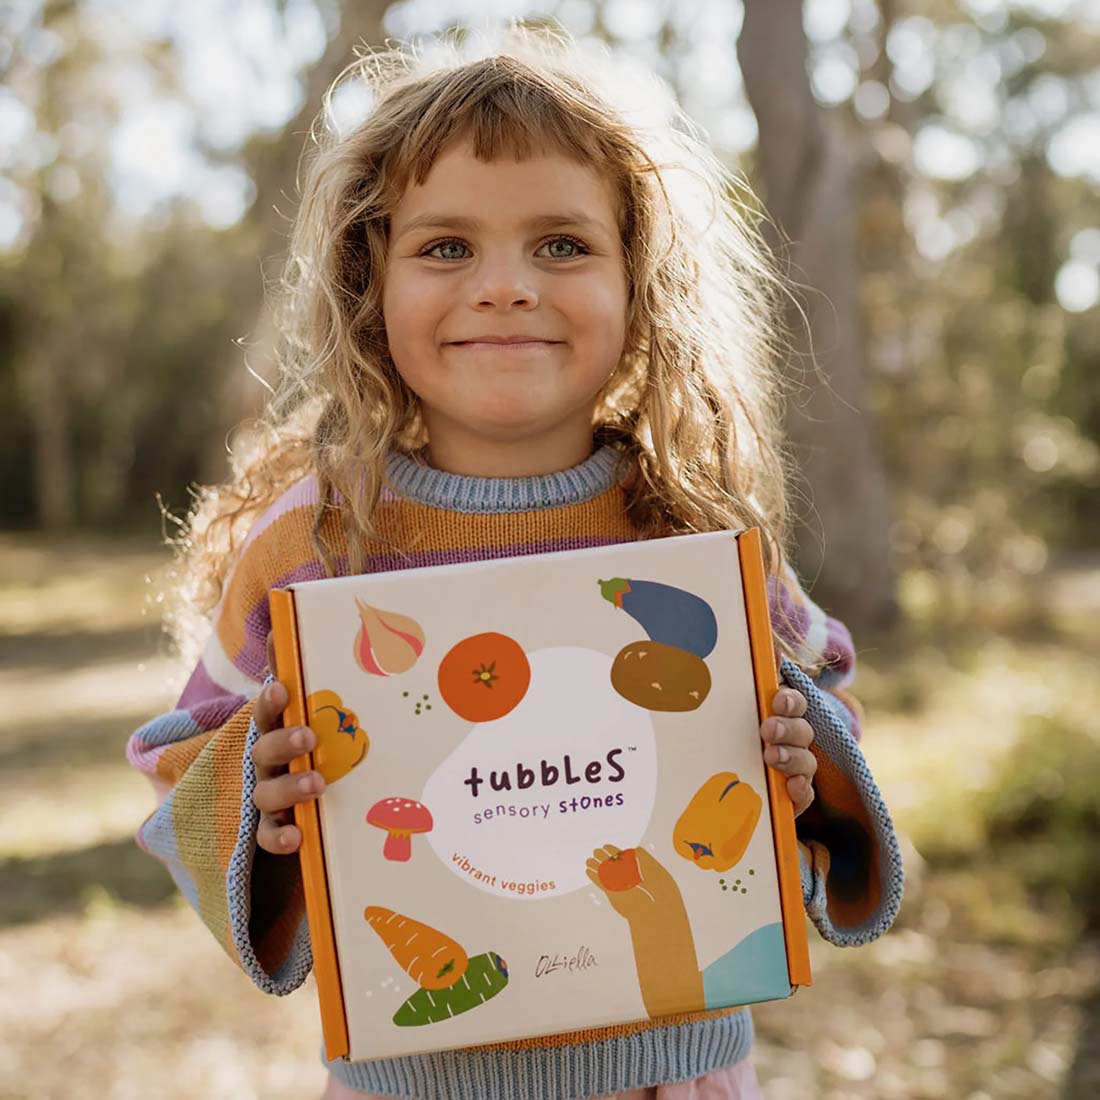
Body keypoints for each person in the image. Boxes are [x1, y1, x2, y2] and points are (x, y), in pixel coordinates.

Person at [127, 24, 903, 1100]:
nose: (504, 286)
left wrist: (795, 746)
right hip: (417, 1074)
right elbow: (180, 755)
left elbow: (829, 713)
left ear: (640, 279)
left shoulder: (689, 535)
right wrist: (249, 791)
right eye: (445, 246)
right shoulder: (313, 540)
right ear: (370, 281)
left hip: (673, 1073)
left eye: (561, 244)